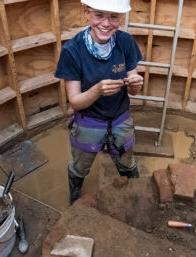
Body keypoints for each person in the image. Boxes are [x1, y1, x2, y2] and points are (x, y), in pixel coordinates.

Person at [55, 0, 143, 205]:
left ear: (120, 18)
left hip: (120, 119)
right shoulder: (72, 50)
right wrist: (96, 91)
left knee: (127, 163)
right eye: (99, 15)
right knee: (80, 167)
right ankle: (74, 198)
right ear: (86, 13)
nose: (106, 23)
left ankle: (137, 195)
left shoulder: (125, 42)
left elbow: (134, 90)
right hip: (89, 123)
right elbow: (75, 102)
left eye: (114, 16)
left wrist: (136, 84)